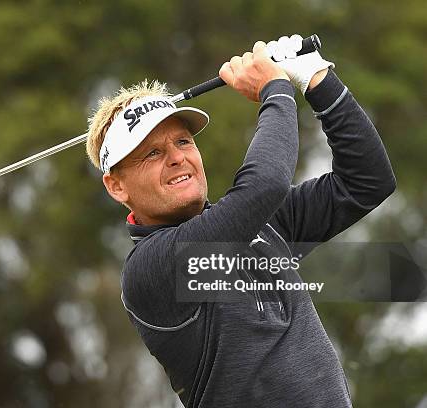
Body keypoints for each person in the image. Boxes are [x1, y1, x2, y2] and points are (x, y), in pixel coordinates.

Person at [85, 36, 396, 407]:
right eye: (152, 153)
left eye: (183, 142)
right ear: (116, 185)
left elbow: (367, 182)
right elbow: (264, 186)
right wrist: (276, 90)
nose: (176, 158)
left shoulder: (264, 226)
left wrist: (318, 79)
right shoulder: (152, 270)